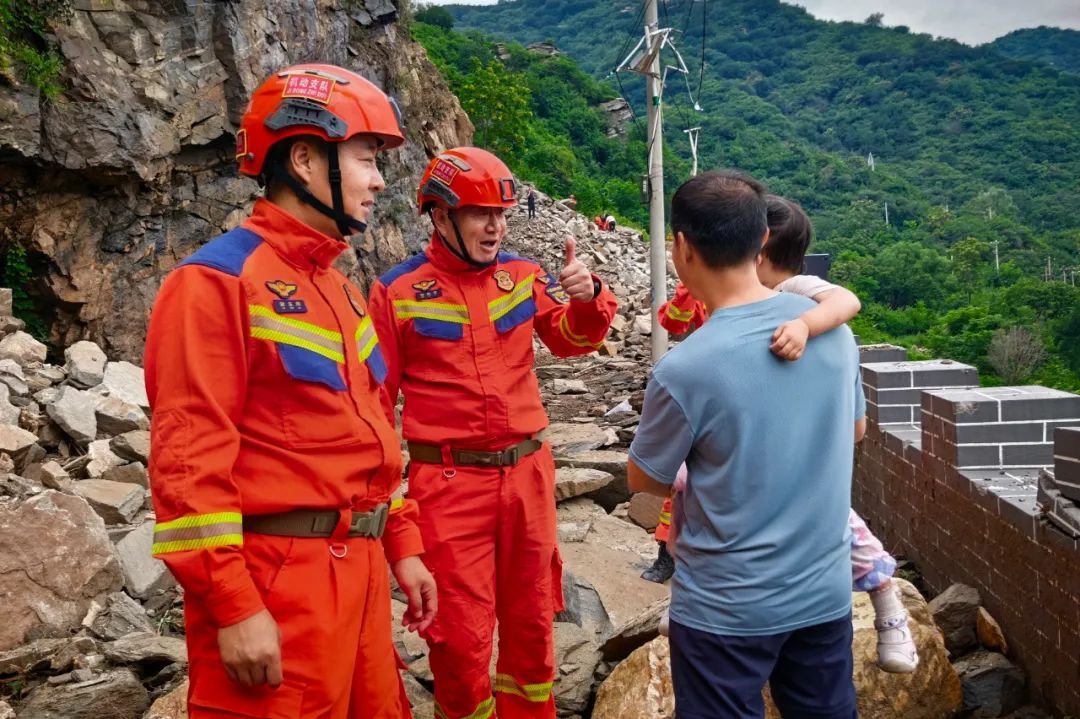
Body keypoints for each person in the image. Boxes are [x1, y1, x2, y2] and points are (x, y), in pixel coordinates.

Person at [145, 63, 436, 719]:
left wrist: (404, 547)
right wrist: (235, 604)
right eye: (366, 156)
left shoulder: (339, 289)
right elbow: (188, 463)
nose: (379, 178)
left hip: (357, 581)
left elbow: (371, 438)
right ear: (305, 158)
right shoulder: (215, 282)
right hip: (279, 586)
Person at [368, 146, 617, 719]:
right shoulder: (398, 292)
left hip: (529, 478)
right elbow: (375, 405)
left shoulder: (522, 274)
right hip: (447, 486)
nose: (495, 226)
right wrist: (389, 507)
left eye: (501, 214)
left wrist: (588, 297)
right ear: (439, 215)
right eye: (481, 213)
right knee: (458, 638)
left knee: (532, 624)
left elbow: (573, 341)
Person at [643, 195, 918, 674]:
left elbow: (846, 300)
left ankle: (887, 600)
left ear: (760, 249)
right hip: (815, 594)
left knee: (838, 523)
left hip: (743, 589)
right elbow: (672, 319)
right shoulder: (731, 302)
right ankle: (684, 588)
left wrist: (806, 325)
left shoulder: (798, 292)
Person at [628, 171, 862, 718]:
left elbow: (646, 482)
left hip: (726, 613)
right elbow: (854, 432)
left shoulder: (684, 369)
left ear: (680, 247)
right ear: (762, 241)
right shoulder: (831, 330)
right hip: (822, 595)